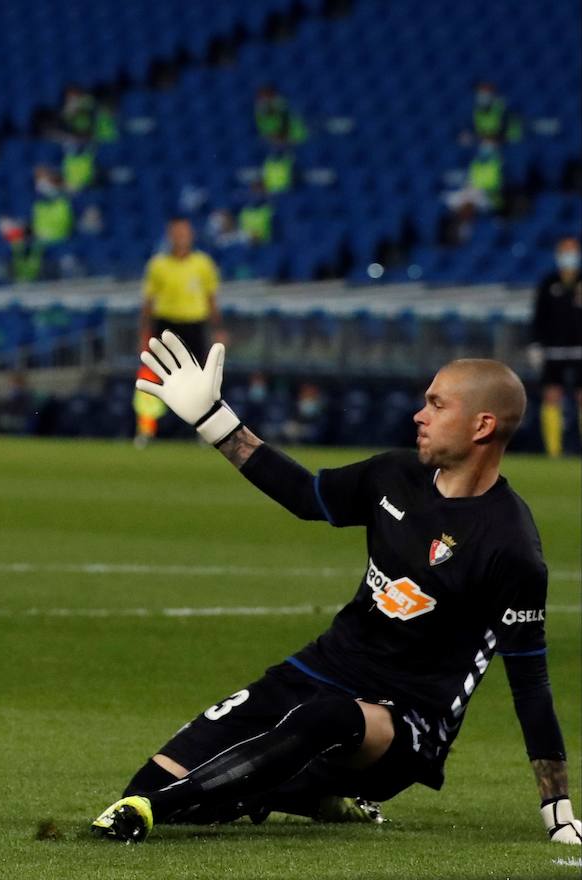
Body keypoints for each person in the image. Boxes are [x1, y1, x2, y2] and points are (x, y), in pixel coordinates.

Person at [91, 332, 580, 847]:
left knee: (318, 722)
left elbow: (531, 684)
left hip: (406, 722)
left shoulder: (511, 546)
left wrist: (558, 810)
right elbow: (306, 496)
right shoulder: (394, 475)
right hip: (324, 668)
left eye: (437, 405)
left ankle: (157, 809)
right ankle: (297, 794)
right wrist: (215, 421)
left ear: (482, 425)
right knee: (146, 782)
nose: (419, 415)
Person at [135, 217, 223, 444]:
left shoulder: (203, 264)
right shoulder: (158, 265)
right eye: (176, 233)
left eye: (184, 233)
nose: (180, 237)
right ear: (170, 236)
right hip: (165, 325)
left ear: (191, 235)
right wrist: (144, 333)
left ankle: (204, 431)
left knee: (200, 380)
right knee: (153, 375)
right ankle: (147, 429)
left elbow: (211, 299)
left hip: (194, 325)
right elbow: (148, 302)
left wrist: (218, 329)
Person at [530, 237, 582, 457]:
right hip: (553, 349)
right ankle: (553, 452)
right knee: (552, 395)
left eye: (573, 252)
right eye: (565, 252)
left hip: (580, 349)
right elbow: (539, 316)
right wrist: (536, 344)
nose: (569, 257)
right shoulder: (548, 283)